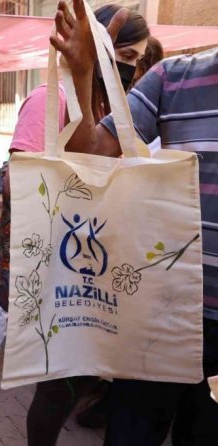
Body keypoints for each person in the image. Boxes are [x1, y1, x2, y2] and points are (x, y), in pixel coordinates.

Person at [0, 4, 150, 445]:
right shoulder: (48, 99)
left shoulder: (118, 111)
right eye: (124, 56)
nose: (130, 69)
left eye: (137, 60)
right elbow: (19, 186)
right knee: (57, 383)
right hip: (55, 264)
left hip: (94, 264)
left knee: (81, 372)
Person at [50, 0, 218, 444]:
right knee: (130, 433)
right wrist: (83, 75)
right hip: (161, 311)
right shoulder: (173, 77)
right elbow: (90, 156)